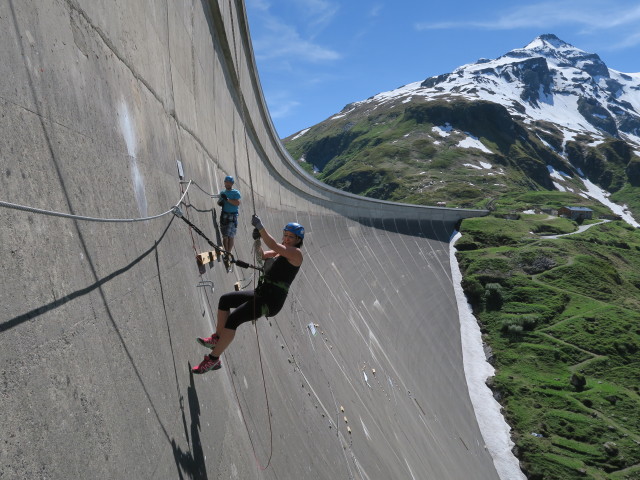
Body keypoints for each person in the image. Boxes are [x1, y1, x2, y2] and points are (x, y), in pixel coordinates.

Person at [191, 215, 304, 374]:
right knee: (225, 300)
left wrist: (260, 226)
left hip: (270, 302)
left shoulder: (296, 254)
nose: (286, 239)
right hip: (262, 293)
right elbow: (262, 255)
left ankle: (213, 360)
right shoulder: (281, 252)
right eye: (285, 235)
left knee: (234, 318)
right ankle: (217, 338)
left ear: (298, 240)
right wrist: (257, 241)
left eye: (291, 237)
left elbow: (273, 244)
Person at [217, 175, 241, 263]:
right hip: (224, 215)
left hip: (232, 215)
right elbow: (219, 203)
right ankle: (227, 253)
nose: (227, 183)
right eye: (226, 182)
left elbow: (237, 203)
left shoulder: (235, 193)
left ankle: (228, 253)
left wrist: (227, 199)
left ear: (232, 183)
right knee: (225, 236)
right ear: (224, 183)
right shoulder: (222, 192)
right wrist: (221, 201)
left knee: (230, 236)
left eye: (229, 182)